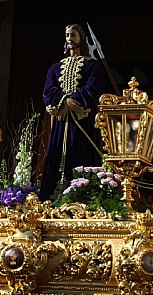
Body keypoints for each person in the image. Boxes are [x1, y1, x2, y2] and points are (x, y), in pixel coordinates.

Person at [40, 23, 107, 201]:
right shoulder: (55, 68)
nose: (70, 39)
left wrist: (72, 100)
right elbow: (48, 91)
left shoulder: (93, 67)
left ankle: (82, 197)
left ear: (81, 38)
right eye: (68, 35)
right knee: (56, 157)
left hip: (82, 123)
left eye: (73, 35)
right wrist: (65, 100)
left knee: (81, 156)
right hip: (61, 123)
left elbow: (92, 89)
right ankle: (51, 199)